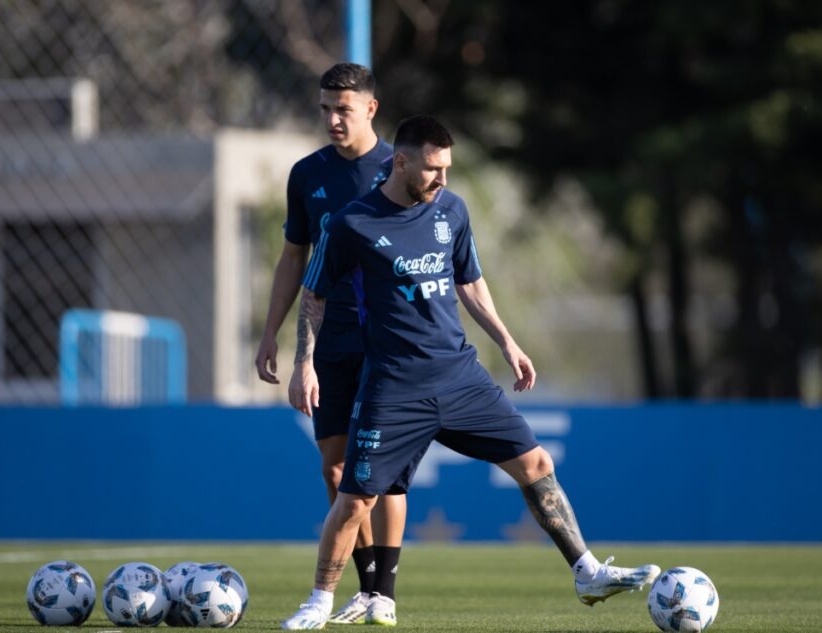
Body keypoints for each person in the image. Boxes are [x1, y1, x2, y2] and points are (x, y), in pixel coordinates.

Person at [281, 115, 660, 630]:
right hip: (394, 386)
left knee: (536, 464)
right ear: (402, 161)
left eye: (448, 169)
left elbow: (470, 281)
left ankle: (587, 571)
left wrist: (507, 341)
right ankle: (319, 603)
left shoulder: (451, 212)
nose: (443, 180)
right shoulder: (351, 223)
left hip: (462, 378)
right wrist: (304, 362)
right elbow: (315, 293)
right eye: (433, 169)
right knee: (355, 500)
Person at [254, 62, 406, 626]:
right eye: (325, 108)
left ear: (370, 108)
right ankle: (365, 588)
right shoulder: (307, 174)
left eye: (343, 108)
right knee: (337, 473)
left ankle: (382, 591)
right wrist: (275, 335)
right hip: (330, 339)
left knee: (381, 472)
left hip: (388, 341)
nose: (332, 119)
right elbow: (295, 256)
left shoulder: (401, 167)